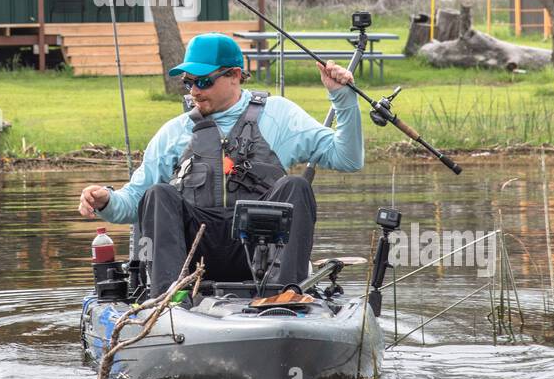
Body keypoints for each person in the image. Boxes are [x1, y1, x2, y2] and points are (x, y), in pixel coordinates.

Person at [78, 32, 363, 293]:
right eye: (188, 82)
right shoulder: (174, 132)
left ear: (235, 76)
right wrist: (106, 200)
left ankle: (285, 296)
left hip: (261, 252)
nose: (194, 91)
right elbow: (134, 202)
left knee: (296, 186)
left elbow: (347, 159)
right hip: (195, 258)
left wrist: (343, 99)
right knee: (157, 194)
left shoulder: (281, 115)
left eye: (203, 81)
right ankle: (169, 301)